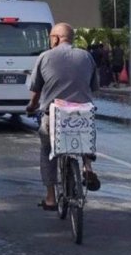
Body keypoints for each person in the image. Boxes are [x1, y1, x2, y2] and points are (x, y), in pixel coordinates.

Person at [26, 22, 101, 211]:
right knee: (84, 134)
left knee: (47, 150)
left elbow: (36, 90)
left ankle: (51, 198)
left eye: (51, 38)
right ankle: (87, 167)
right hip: (82, 114)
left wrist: (31, 106)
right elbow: (95, 87)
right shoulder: (86, 56)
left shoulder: (44, 57)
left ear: (57, 38)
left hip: (54, 115)